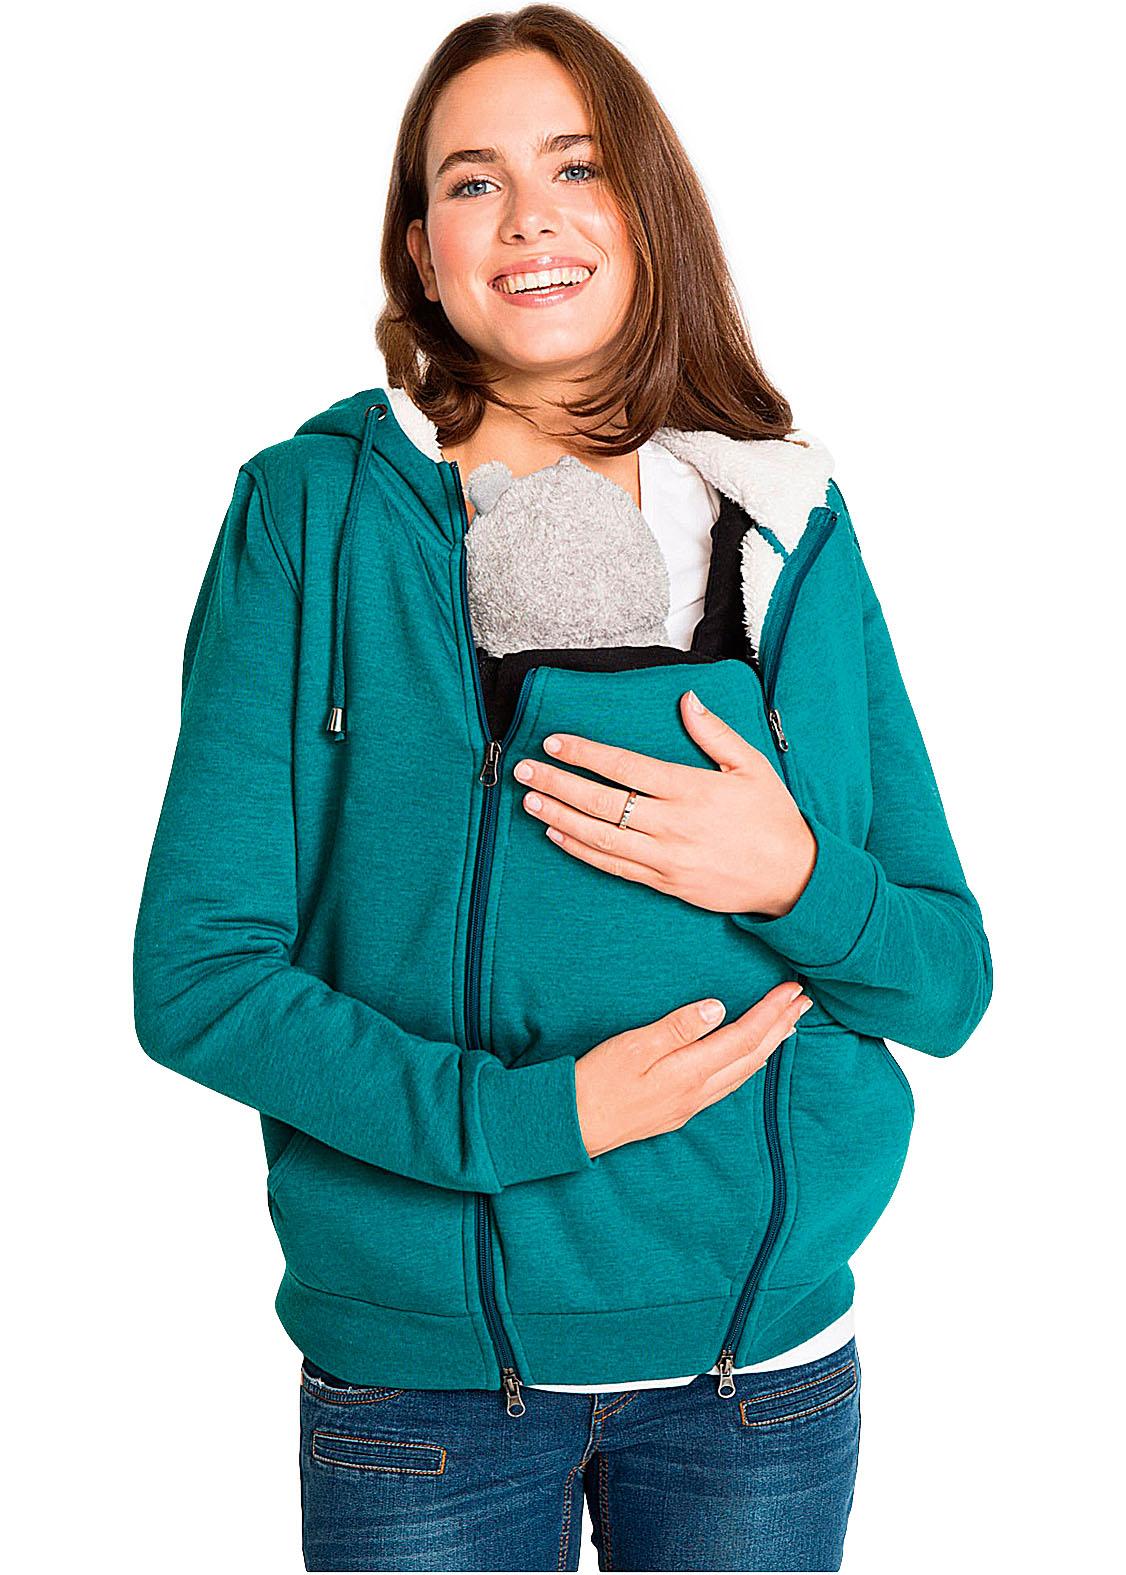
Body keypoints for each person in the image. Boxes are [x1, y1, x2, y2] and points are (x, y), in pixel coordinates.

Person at [132, 7, 993, 1571]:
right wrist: (530, 1119)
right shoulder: (311, 516)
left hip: (759, 1378)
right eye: (473, 181)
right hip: (427, 1387)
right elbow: (198, 981)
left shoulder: (788, 519)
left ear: (646, 212)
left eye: (576, 167)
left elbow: (945, 986)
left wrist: (795, 879)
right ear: (421, 251)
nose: (527, 215)